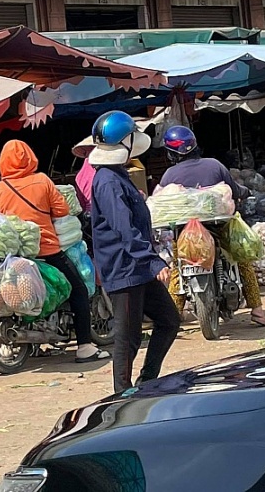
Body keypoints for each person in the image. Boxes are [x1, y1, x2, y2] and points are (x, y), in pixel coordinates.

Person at [0, 140, 109, 363]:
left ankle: (5, 346)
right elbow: (62, 210)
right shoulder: (42, 181)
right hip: (47, 251)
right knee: (78, 290)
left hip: (13, 255)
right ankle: (84, 347)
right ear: (30, 158)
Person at [89, 111, 180, 393]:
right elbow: (124, 229)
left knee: (169, 320)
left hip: (137, 267)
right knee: (127, 338)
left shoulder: (117, 174)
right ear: (125, 142)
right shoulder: (107, 180)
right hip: (125, 268)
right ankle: (122, 394)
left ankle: (147, 380)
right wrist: (153, 261)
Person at [160, 125, 265, 327]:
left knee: (179, 265)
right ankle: (257, 310)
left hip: (184, 233)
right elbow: (233, 190)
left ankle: (173, 316)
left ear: (171, 153)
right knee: (241, 259)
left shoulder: (168, 175)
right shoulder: (214, 165)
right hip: (218, 226)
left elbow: (162, 201)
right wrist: (245, 192)